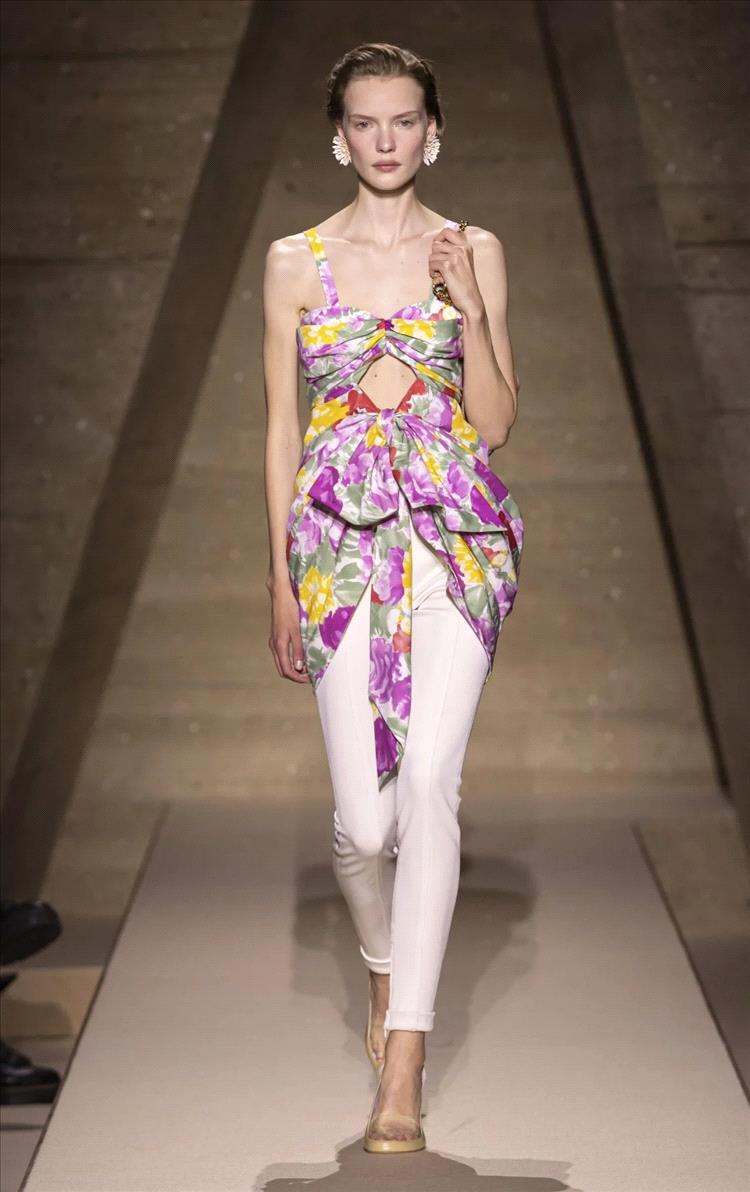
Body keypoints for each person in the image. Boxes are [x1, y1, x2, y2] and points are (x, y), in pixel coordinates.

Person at [262, 42, 524, 1154]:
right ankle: (383, 965)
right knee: (362, 830)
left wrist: (471, 309)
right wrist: (279, 576)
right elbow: (281, 428)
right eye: (364, 121)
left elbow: (496, 423)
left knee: (427, 787)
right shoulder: (294, 261)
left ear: (433, 131)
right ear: (339, 135)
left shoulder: (473, 250)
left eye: (404, 119)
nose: (384, 138)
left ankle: (404, 1064)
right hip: (335, 550)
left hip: (453, 541)